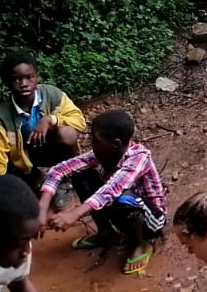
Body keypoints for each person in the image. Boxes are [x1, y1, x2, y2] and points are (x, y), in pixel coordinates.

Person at [40, 109, 167, 276]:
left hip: (151, 220)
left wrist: (75, 213)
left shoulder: (139, 157)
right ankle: (106, 233)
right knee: (80, 174)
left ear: (115, 143)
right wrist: (42, 207)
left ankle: (140, 244)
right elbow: (59, 169)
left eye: (96, 140)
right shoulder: (103, 153)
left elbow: (112, 189)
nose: (91, 143)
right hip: (121, 209)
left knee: (123, 196)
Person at [0, 52, 88, 203]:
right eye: (16, 79)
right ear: (7, 82)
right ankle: (29, 176)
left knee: (67, 133)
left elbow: (79, 121)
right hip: (23, 156)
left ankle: (64, 178)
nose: (24, 83)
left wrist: (50, 119)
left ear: (37, 77)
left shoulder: (52, 95)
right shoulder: (2, 116)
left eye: (29, 77)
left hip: (52, 149)